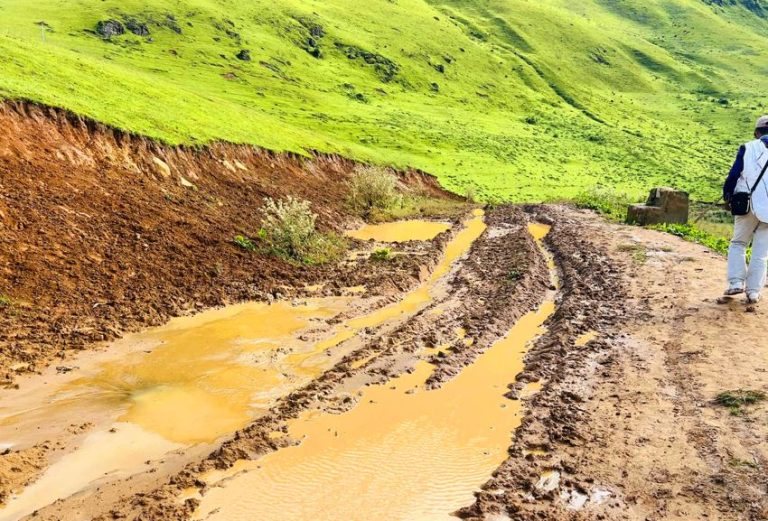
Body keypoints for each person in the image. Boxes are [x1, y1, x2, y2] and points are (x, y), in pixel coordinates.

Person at [722, 115, 768, 304]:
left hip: (746, 205)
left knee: (738, 243)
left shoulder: (748, 147)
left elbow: (734, 175)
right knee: (761, 252)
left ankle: (736, 283)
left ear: (757, 132)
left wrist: (727, 196)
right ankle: (754, 292)